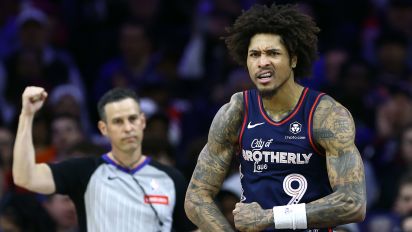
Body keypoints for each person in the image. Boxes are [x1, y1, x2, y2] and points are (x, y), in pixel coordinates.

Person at [184, 3, 366, 232]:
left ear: (293, 59)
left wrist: (270, 217)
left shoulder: (325, 114)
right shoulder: (236, 111)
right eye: (254, 54)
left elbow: (353, 203)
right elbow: (196, 197)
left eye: (273, 53)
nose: (262, 62)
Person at [13, 86, 196, 231]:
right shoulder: (83, 172)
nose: (127, 128)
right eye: (117, 121)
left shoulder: (172, 179)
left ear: (142, 122)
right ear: (103, 129)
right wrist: (27, 115)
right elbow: (24, 177)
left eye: (132, 119)